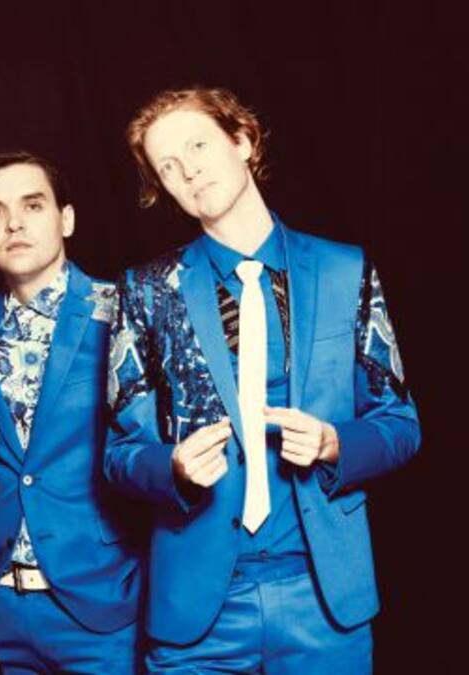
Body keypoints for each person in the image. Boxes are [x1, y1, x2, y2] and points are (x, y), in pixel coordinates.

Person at [107, 86, 421, 673]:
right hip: (199, 611)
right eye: (167, 166)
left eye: (197, 146)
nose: (187, 170)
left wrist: (334, 442)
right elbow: (120, 454)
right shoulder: (145, 291)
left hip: (324, 601)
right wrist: (171, 466)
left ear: (243, 141)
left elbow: (400, 424)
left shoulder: (345, 270)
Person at [0, 150, 143, 673]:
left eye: (32, 205)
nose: (14, 223)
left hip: (100, 604)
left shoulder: (121, 309)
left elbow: (145, 450)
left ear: (65, 219)